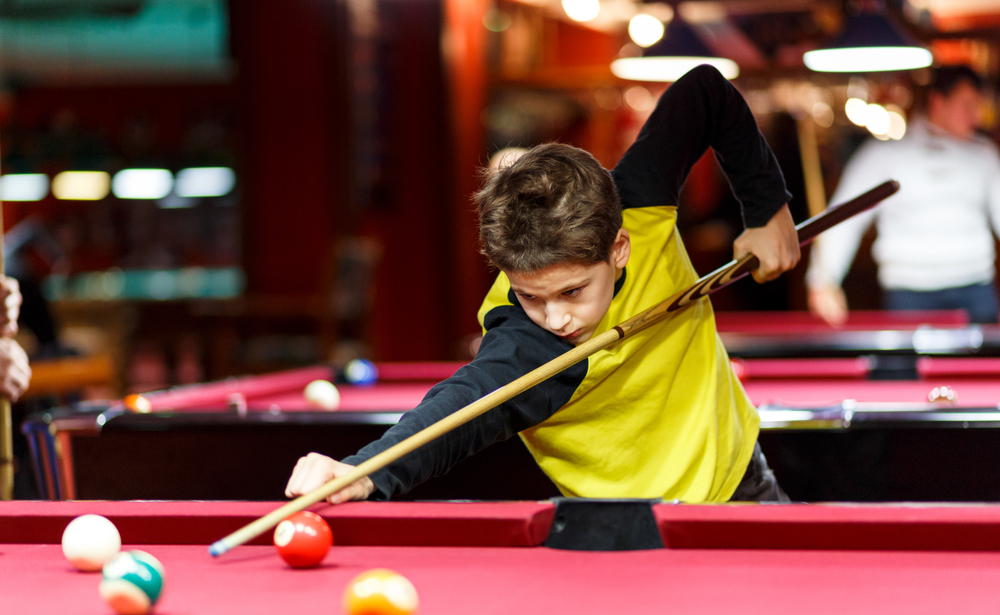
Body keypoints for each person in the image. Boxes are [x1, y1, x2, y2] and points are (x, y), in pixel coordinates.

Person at [285, 65, 799, 505]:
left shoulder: (640, 202)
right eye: (532, 296)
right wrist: (364, 470)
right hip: (625, 524)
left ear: (618, 248)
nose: (555, 319)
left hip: (738, 475)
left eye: (572, 291)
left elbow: (704, 92)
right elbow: (461, 407)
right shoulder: (526, 345)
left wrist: (766, 208)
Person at [807, 65, 1000, 326]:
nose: (975, 117)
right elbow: (844, 218)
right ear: (937, 102)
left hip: (975, 291)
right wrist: (822, 280)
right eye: (966, 105)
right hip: (909, 296)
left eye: (977, 106)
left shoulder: (985, 155)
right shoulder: (884, 155)